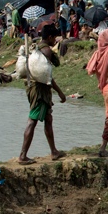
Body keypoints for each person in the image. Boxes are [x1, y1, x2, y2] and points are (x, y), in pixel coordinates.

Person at [19, 25, 68, 164]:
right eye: (55, 38)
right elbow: (48, 76)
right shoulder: (47, 51)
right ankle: (22, 156)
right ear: (50, 37)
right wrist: (60, 92)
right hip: (40, 91)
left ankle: (53, 151)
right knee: (32, 121)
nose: (56, 41)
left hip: (34, 87)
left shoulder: (36, 48)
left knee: (48, 118)